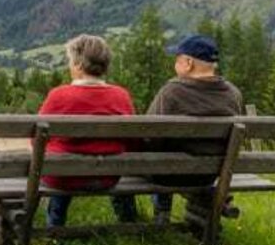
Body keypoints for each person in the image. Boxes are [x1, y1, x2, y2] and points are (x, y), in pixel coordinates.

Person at [37, 33, 138, 228]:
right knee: (63, 165)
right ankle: (129, 227)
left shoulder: (59, 95)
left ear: (78, 65)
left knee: (59, 165)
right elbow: (132, 141)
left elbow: (37, 139)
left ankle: (55, 231)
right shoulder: (121, 96)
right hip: (108, 177)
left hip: (63, 177)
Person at [147, 34, 242, 224]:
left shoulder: (172, 92)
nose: (175, 63)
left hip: (169, 175)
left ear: (189, 63)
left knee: (157, 155)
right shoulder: (233, 93)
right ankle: (205, 210)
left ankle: (162, 213)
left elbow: (150, 135)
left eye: (177, 58)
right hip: (211, 175)